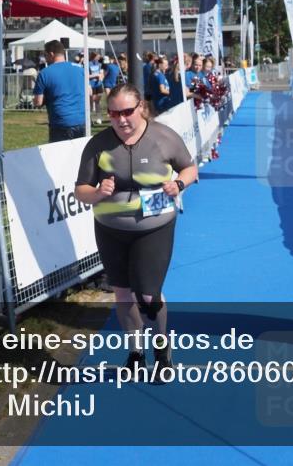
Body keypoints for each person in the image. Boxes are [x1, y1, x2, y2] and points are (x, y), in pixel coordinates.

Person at [74, 84, 198, 375]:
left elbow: (190, 169)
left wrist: (178, 184)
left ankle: (162, 346)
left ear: (141, 107)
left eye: (127, 111)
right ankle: (135, 350)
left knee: (147, 294)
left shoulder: (164, 137)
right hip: (110, 228)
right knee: (123, 294)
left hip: (154, 226)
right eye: (114, 113)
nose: (121, 120)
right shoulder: (98, 144)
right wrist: (98, 192)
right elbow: (80, 190)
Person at [34, 39, 88, 142]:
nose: (45, 59)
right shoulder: (80, 69)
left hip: (60, 123)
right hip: (82, 121)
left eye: (45, 55)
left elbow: (38, 102)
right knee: (80, 156)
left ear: (51, 54)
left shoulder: (44, 73)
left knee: (59, 156)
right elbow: (89, 92)